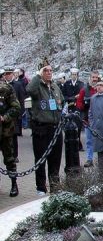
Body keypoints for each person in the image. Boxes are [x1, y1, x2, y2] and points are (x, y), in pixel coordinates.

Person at [27, 59, 66, 196]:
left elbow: (62, 100)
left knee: (55, 160)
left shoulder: (55, 87)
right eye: (46, 71)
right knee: (41, 159)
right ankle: (41, 187)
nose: (49, 73)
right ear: (41, 73)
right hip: (41, 128)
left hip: (55, 128)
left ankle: (55, 185)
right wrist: (38, 76)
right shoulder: (37, 86)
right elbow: (30, 89)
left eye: (50, 70)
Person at [0, 67, 21, 197]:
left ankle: (14, 185)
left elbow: (16, 107)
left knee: (9, 159)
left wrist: (4, 117)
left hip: (5, 132)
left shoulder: (6, 89)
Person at [76, 70, 101, 167]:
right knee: (89, 141)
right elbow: (78, 103)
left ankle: (101, 160)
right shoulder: (84, 90)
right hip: (88, 119)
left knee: (100, 141)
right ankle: (89, 159)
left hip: (99, 120)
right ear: (90, 78)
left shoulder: (101, 89)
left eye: (96, 77)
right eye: (93, 77)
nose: (94, 79)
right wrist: (84, 105)